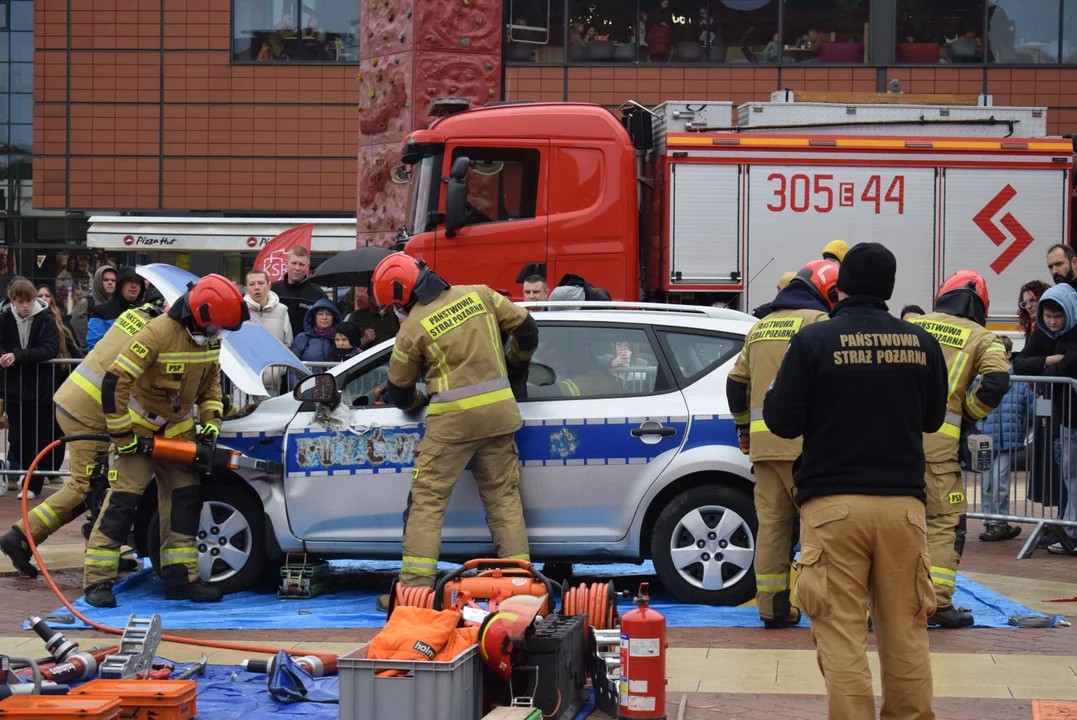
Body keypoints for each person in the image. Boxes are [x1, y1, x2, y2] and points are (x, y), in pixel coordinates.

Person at [762, 242, 948, 720]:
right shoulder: (921, 342)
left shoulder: (814, 341)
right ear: (889, 288)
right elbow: (932, 421)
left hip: (832, 507)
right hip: (903, 508)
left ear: (839, 287)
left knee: (841, 633)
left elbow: (781, 421)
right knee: (906, 630)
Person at [372, 253, 538, 589]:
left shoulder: (412, 329)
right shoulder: (480, 294)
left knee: (427, 504)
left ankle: (415, 590)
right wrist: (515, 369)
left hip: (451, 426)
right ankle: (519, 586)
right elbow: (527, 329)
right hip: (499, 418)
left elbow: (401, 393)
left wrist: (420, 399)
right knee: (503, 499)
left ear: (401, 297)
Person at [83, 274, 246, 608]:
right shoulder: (156, 333)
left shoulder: (209, 338)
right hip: (140, 432)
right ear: (199, 314)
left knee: (184, 504)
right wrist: (123, 435)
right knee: (122, 504)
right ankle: (97, 581)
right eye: (217, 327)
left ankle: (181, 580)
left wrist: (212, 423)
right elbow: (116, 381)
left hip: (179, 433)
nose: (220, 334)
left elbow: (211, 386)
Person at [0, 300, 164, 577]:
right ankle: (20, 537)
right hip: (89, 411)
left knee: (97, 483)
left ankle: (99, 546)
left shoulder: (137, 315)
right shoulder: (158, 334)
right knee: (83, 486)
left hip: (80, 401)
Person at [727, 259, 838, 629]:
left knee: (772, 527)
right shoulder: (820, 323)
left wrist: (744, 429)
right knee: (820, 529)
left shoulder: (760, 327)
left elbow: (735, 384)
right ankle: (829, 606)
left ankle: (771, 608)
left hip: (764, 447)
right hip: (809, 447)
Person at [907, 271, 1011, 628]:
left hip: (890, 439)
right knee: (944, 520)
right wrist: (969, 411)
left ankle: (884, 601)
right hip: (937, 446)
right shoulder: (983, 338)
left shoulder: (914, 325)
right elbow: (997, 380)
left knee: (892, 519)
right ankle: (935, 603)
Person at [1013, 284, 1077, 555]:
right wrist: (1050, 359)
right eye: (1047, 316)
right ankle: (1069, 528)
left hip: (1070, 418)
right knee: (1068, 476)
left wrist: (1047, 363)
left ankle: (1071, 530)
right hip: (1064, 419)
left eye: (1057, 317)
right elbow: (1021, 363)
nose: (1052, 322)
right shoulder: (1043, 334)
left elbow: (1067, 367)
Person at [0, 278, 61, 500]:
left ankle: (33, 483)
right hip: (15, 389)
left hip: (41, 390)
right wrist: (4, 356)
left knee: (39, 437)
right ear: (12, 301)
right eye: (21, 301)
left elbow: (50, 349)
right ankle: (26, 476)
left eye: (29, 301)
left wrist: (17, 356)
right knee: (17, 437)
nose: (25, 306)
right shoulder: (5, 319)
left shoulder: (46, 320)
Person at [976, 335, 1028, 542]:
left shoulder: (1020, 382)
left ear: (1008, 354)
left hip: (1005, 441)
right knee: (987, 484)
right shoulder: (980, 377)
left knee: (1001, 484)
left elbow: (1030, 404)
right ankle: (991, 522)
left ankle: (999, 522)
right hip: (985, 440)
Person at [244, 269, 293, 394]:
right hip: (244, 380)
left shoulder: (282, 310)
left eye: (261, 283)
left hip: (273, 380)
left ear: (269, 286)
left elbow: (287, 343)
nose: (256, 287)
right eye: (252, 284)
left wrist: (280, 370)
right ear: (246, 289)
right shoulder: (238, 311)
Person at [271, 246, 326, 340]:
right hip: (276, 346)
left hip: (305, 349)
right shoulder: (272, 290)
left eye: (301, 264)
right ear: (286, 263)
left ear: (307, 266)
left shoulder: (317, 294)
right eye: (294, 263)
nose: (297, 268)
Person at [86, 267, 145, 352]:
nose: (134, 285)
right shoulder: (101, 311)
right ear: (120, 285)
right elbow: (93, 347)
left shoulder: (145, 312)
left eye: (137, 282)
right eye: (130, 281)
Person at [70, 265, 116, 351]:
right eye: (105, 280)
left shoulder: (117, 305)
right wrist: (84, 348)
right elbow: (76, 327)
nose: (110, 282)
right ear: (98, 281)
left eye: (113, 280)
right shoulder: (87, 303)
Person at [290, 298, 342, 362]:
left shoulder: (341, 338)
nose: (324, 317)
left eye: (329, 314)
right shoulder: (302, 338)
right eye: (320, 314)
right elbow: (292, 365)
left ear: (334, 318)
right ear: (314, 317)